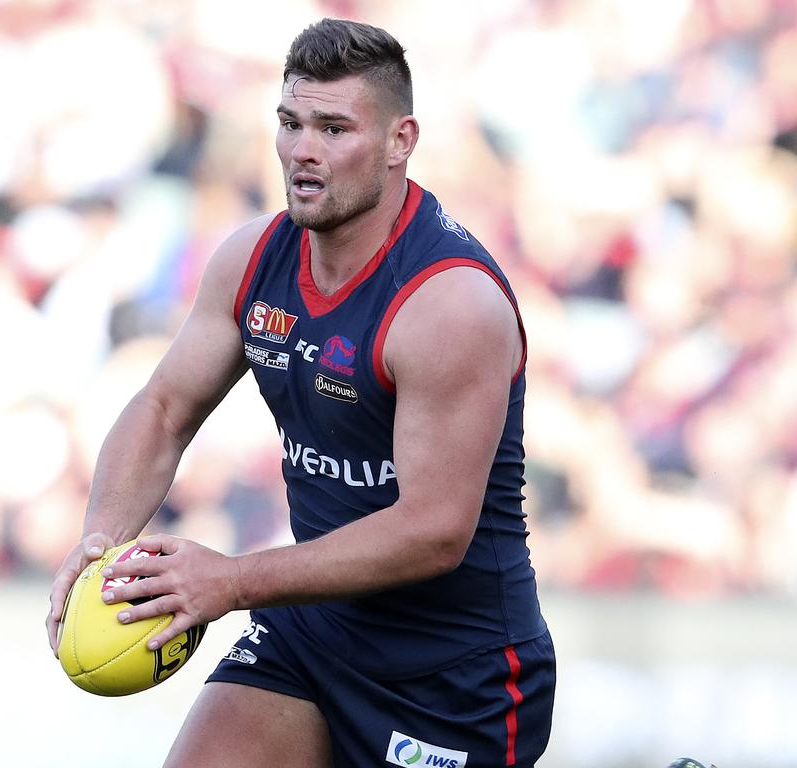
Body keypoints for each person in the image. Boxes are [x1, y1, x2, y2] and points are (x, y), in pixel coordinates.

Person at [46, 17, 555, 768]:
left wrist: (228, 581)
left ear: (399, 141)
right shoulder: (251, 258)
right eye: (290, 123)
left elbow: (434, 531)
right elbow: (162, 408)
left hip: (455, 674)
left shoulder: (448, 304)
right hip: (313, 629)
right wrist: (100, 542)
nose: (303, 151)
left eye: (334, 127)